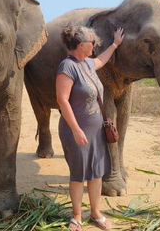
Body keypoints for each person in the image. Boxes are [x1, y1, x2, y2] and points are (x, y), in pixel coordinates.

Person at [56, 24, 124, 231]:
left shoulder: (86, 63)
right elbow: (62, 100)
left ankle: (95, 213)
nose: (95, 45)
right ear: (80, 44)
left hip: (96, 131)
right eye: (92, 42)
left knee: (96, 174)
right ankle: (77, 215)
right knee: (79, 175)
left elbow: (102, 60)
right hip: (76, 131)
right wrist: (76, 129)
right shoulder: (67, 67)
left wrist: (115, 44)